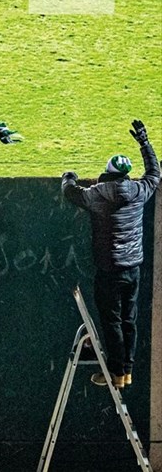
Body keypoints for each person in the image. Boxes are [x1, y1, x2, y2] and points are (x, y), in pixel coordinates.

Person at [62, 120, 159, 388]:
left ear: (108, 172)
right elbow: (154, 173)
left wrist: (69, 175)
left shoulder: (98, 194)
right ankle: (126, 371)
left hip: (110, 269)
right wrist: (144, 142)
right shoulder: (139, 191)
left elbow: (70, 192)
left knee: (112, 321)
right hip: (133, 268)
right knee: (129, 320)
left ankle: (116, 373)